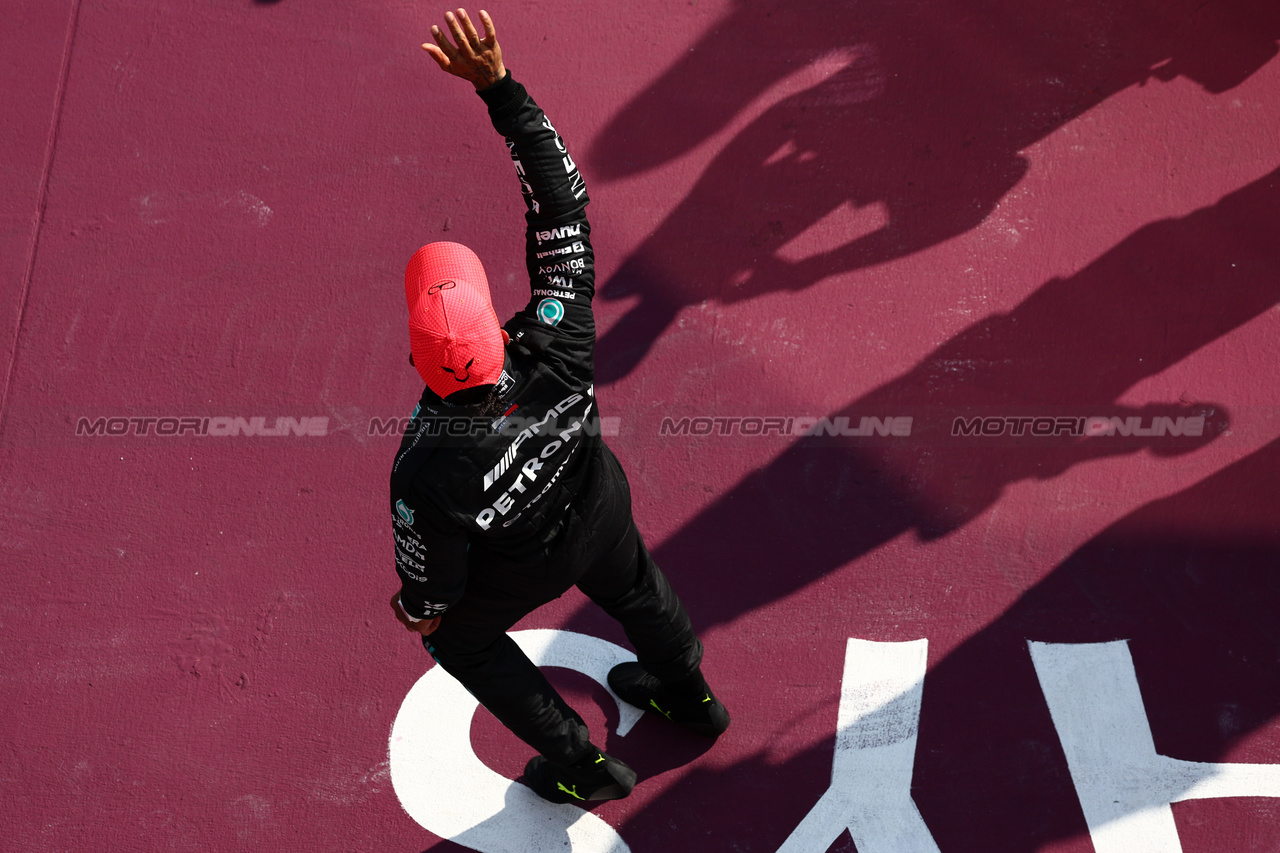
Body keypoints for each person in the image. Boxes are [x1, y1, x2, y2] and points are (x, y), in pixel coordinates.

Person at [388, 8, 729, 805]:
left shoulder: (426, 462)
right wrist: (499, 88)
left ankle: (579, 763)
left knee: (457, 642)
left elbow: (432, 593)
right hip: (596, 503)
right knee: (635, 581)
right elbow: (561, 205)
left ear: (416, 359)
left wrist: (417, 610)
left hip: (517, 567)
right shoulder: (557, 333)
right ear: (494, 332)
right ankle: (689, 694)